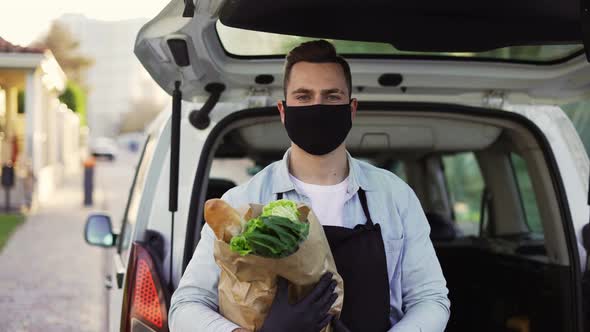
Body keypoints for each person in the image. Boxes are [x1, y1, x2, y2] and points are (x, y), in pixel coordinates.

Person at [169, 40, 450, 332]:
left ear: (351, 109)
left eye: (331, 96)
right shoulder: (244, 199)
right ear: (283, 110)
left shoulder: (395, 196)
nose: (317, 106)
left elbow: (430, 298)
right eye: (303, 97)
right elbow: (186, 306)